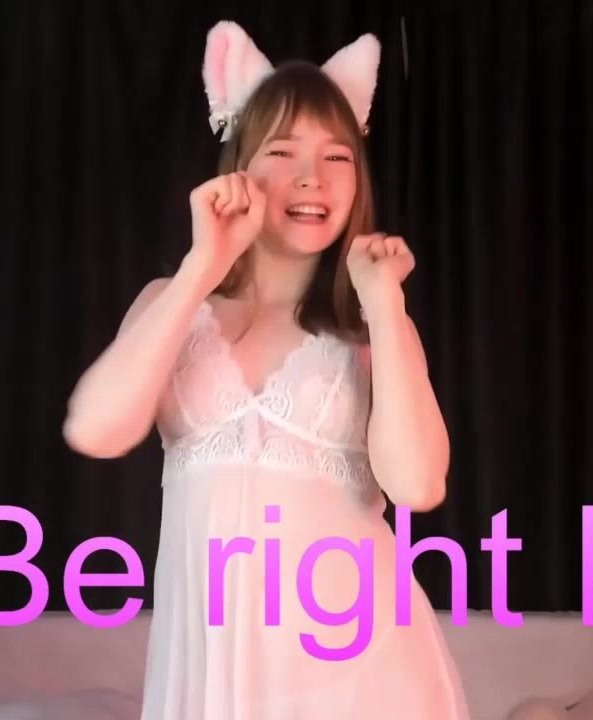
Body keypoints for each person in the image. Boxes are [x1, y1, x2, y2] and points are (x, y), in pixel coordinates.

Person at [62, 21, 470, 720]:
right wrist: (204, 266)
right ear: (239, 165)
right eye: (282, 151)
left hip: (361, 680)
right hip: (213, 678)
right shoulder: (173, 302)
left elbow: (419, 485)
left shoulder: (373, 327)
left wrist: (383, 305)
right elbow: (97, 429)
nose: (312, 177)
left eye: (337, 156)